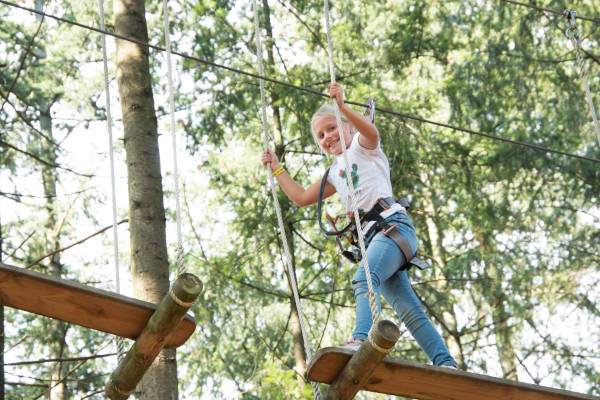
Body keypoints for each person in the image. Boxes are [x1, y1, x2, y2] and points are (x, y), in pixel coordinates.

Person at [262, 83, 457, 368]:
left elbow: (371, 132)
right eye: (321, 135)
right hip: (376, 239)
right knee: (409, 311)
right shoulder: (334, 173)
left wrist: (342, 107)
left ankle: (359, 337)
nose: (327, 137)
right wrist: (277, 169)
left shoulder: (362, 147)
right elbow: (302, 197)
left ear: (348, 127)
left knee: (362, 279)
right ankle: (445, 362)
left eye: (332, 128)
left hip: (393, 227)